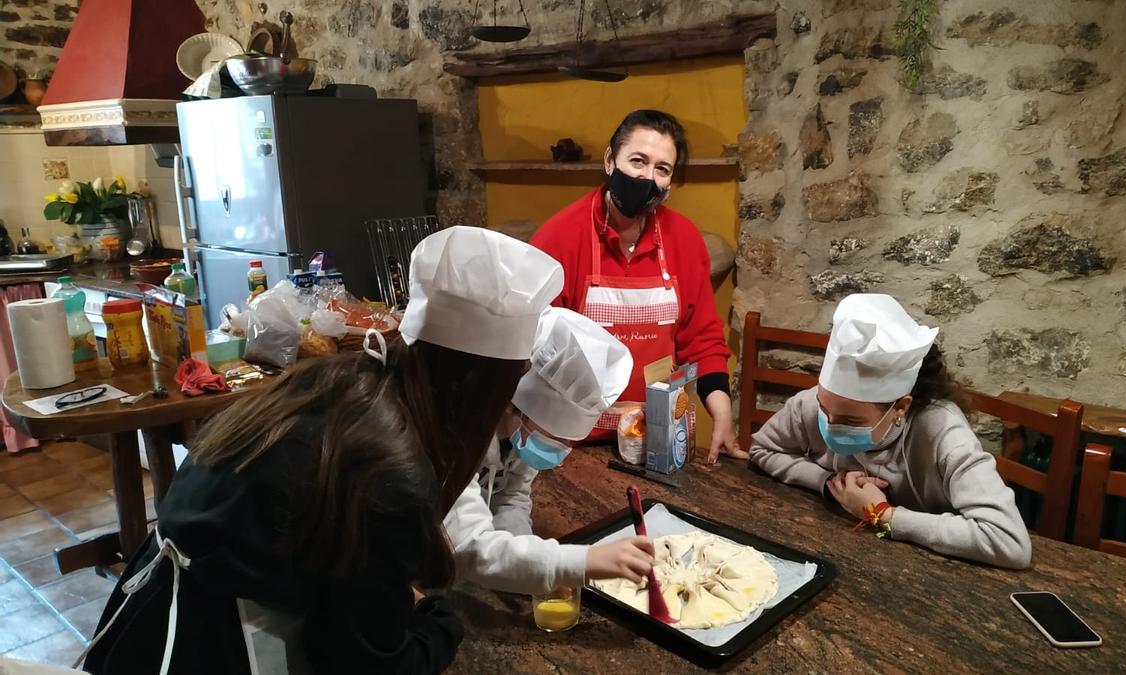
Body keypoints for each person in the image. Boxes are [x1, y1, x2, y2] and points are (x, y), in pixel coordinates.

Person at [81, 227, 564, 675]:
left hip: (149, 604)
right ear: (478, 390)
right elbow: (372, 666)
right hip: (206, 644)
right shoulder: (390, 470)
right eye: (511, 386)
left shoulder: (348, 379)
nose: (511, 407)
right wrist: (443, 618)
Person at [748, 294, 1032, 569]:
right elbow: (762, 449)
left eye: (850, 419)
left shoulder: (944, 433)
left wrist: (883, 515)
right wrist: (829, 481)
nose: (830, 425)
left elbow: (1008, 541)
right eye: (825, 409)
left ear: (900, 408)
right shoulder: (811, 404)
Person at [531, 109, 741, 463]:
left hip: (658, 440)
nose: (648, 177)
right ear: (611, 161)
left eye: (663, 169)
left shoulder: (684, 240)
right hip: (572, 441)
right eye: (638, 161)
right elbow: (535, 345)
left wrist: (721, 410)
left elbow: (702, 337)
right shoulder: (560, 238)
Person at [446, 307, 656, 594]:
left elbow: (510, 499)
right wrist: (575, 562)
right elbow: (470, 546)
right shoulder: (453, 434)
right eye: (559, 437)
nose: (564, 450)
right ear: (517, 407)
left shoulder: (522, 428)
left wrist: (531, 568)